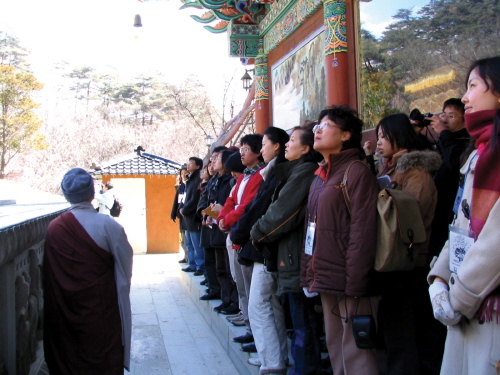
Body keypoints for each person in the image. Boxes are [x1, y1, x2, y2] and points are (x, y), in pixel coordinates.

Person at [428, 56, 500, 375]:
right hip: (466, 303)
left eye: (472, 86)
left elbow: (493, 244)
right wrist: (440, 277)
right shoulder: (480, 153)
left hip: (487, 307)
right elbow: (461, 223)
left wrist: (458, 297)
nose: (465, 98)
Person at [300, 106, 380, 375]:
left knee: (356, 352)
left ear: (346, 135)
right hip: (326, 274)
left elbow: (363, 232)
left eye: (326, 125)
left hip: (350, 279)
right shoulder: (321, 175)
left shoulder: (355, 172)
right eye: (316, 127)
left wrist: (356, 283)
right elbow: (312, 230)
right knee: (336, 347)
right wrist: (308, 273)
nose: (318, 131)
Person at [250, 122, 324, 375]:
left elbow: (281, 213)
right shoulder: (294, 170)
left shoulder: (304, 171)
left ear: (305, 149)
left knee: (303, 320)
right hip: (289, 253)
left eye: (293, 141)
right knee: (299, 316)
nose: (288, 145)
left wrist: (256, 233)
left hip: (294, 254)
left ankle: (305, 368)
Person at [43, 168, 133, 374]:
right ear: (93, 194)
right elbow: (124, 276)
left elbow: (50, 279)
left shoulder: (54, 228)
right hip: (101, 310)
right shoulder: (109, 226)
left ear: (66, 195)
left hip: (64, 312)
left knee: (69, 358)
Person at [375, 113, 441, 375]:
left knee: (403, 330)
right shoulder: (390, 167)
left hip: (408, 260)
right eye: (377, 136)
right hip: (392, 259)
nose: (378, 142)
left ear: (398, 136)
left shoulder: (416, 171)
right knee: (392, 330)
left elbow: (411, 215)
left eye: (383, 136)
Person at [230, 127, 290, 373]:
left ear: (276, 146)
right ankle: (275, 357)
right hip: (262, 245)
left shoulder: (278, 173)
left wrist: (242, 233)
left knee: (259, 304)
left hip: (266, 246)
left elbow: (259, 209)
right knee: (269, 304)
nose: (262, 148)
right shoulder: (273, 172)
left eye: (264, 144)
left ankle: (273, 361)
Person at [218, 135, 264, 324]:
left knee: (250, 285)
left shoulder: (261, 174)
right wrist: (222, 218)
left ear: (258, 151)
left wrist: (226, 220)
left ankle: (251, 324)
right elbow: (231, 201)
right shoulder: (246, 175)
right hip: (234, 232)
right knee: (241, 281)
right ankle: (246, 319)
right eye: (241, 149)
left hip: (244, 234)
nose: (242, 153)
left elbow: (246, 207)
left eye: (245, 149)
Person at [428, 99, 470, 260]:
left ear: (465, 119)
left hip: (455, 209)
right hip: (438, 208)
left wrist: (443, 134)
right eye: (443, 115)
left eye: (451, 116)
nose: (444, 120)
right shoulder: (444, 140)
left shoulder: (467, 141)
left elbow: (455, 163)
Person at [180, 156, 205, 275]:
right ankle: (192, 264)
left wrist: (184, 209)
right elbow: (184, 197)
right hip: (186, 217)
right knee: (189, 243)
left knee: (196, 243)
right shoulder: (188, 180)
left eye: (191, 163)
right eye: (188, 163)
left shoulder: (198, 179)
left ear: (198, 166)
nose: (188, 165)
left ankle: (200, 266)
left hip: (193, 217)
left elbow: (195, 198)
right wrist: (181, 207)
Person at [171, 166, 189, 263]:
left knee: (188, 239)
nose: (183, 176)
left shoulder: (189, 186)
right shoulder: (180, 187)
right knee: (182, 239)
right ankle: (186, 256)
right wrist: (173, 214)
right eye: (181, 174)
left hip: (187, 214)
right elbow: (176, 202)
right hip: (180, 215)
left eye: (185, 173)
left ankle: (189, 257)